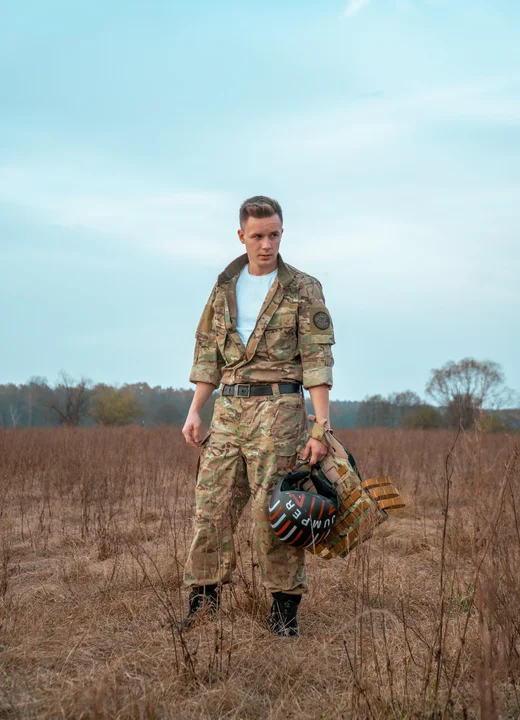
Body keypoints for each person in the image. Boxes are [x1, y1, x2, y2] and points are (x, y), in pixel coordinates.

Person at [181, 195, 335, 636]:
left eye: (274, 235)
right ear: (241, 236)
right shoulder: (223, 287)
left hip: (281, 412)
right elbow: (207, 354)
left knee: (278, 513)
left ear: (281, 233)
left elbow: (317, 361)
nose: (266, 245)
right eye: (258, 236)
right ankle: (202, 603)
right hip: (228, 411)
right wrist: (195, 411)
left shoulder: (304, 288)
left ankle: (284, 615)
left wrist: (320, 427)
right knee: (211, 508)